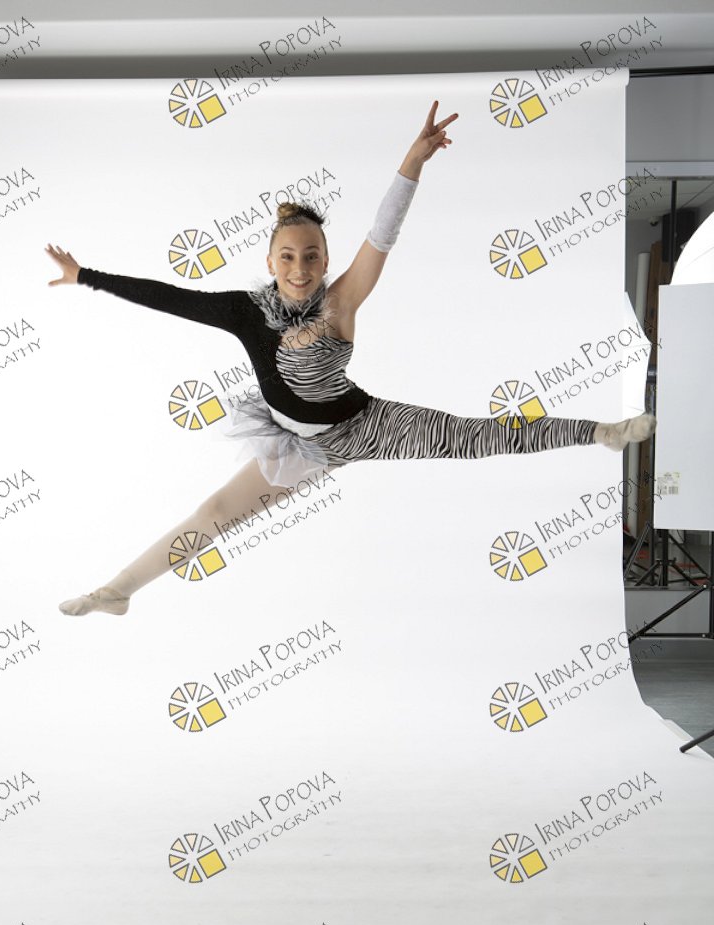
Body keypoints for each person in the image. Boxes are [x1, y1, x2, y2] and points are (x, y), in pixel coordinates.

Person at [46, 100, 656, 616]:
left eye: (312, 256)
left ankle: (599, 432)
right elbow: (169, 297)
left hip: (363, 425)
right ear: (270, 261)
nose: (300, 268)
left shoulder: (340, 301)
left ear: (325, 259)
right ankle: (116, 591)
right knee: (215, 514)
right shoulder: (243, 310)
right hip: (290, 441)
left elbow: (381, 235)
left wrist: (412, 163)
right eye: (288, 257)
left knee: (473, 437)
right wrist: (85, 276)